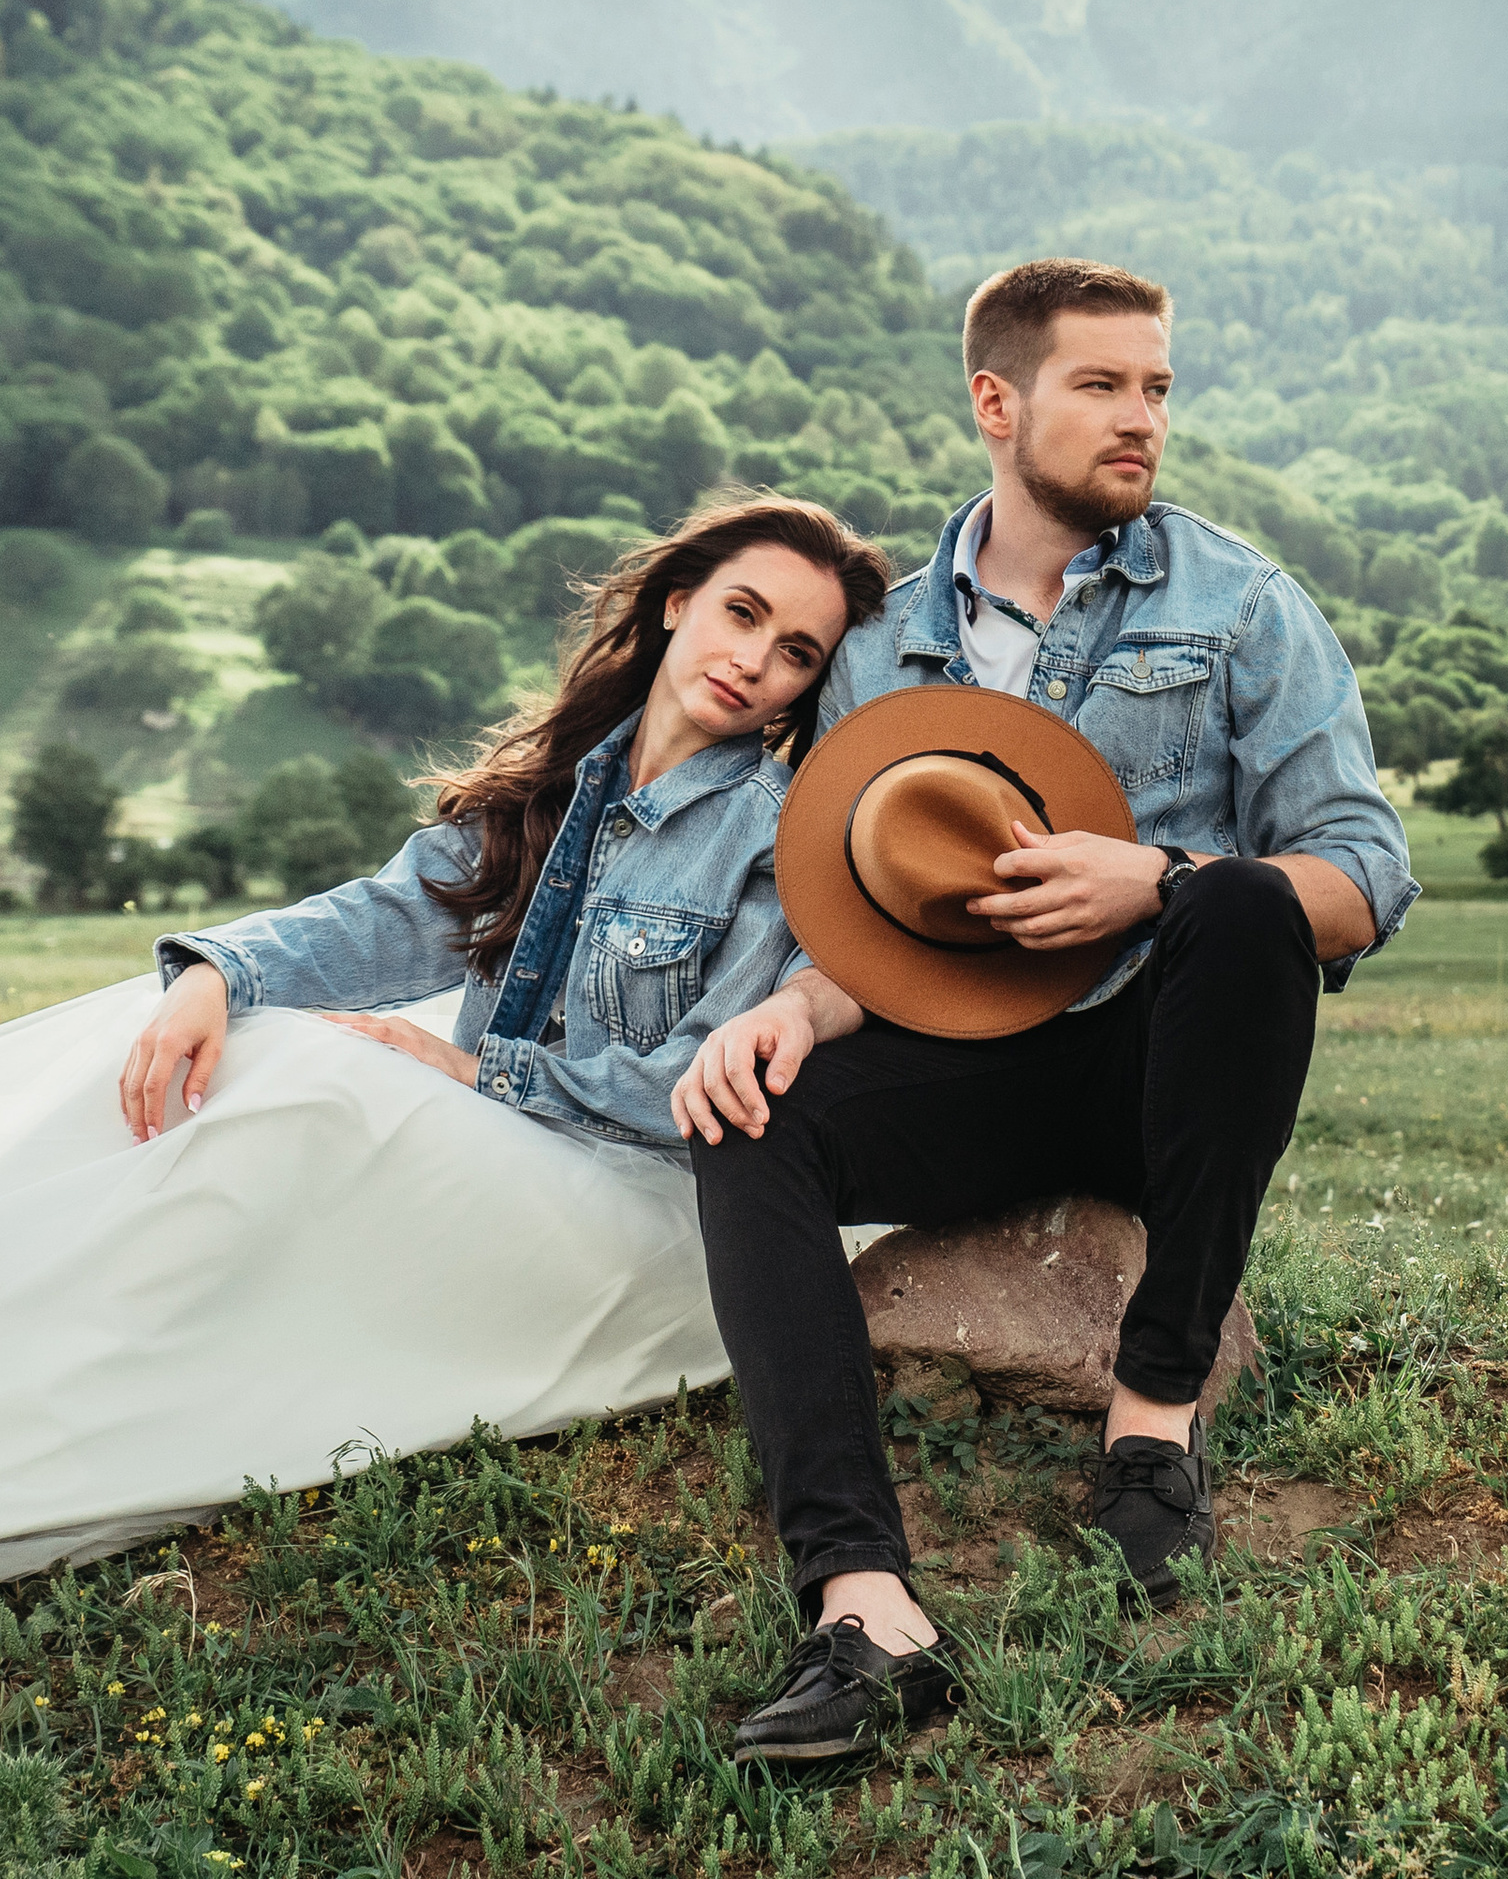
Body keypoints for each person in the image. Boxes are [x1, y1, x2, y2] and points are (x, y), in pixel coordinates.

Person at [672, 260, 1418, 1766]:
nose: (1142, 419)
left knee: (1238, 901)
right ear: (997, 403)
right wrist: (796, 1014)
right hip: (964, 1066)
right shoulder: (874, 647)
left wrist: (1153, 878)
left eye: (1157, 388)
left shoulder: (1240, 602)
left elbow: (1366, 877)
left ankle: (1153, 1418)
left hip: (1168, 1065)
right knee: (749, 1123)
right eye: (1103, 386)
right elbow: (854, 895)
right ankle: (868, 1614)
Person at [0, 494, 887, 1580]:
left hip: (644, 1202)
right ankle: (50, 1352)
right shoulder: (565, 783)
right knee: (214, 1040)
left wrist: (480, 1071)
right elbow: (391, 912)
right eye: (741, 612)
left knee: (319, 1087)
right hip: (510, 1150)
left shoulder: (779, 836)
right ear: (673, 603)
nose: (755, 660)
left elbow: (694, 1086)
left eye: (796, 649)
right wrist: (217, 973)